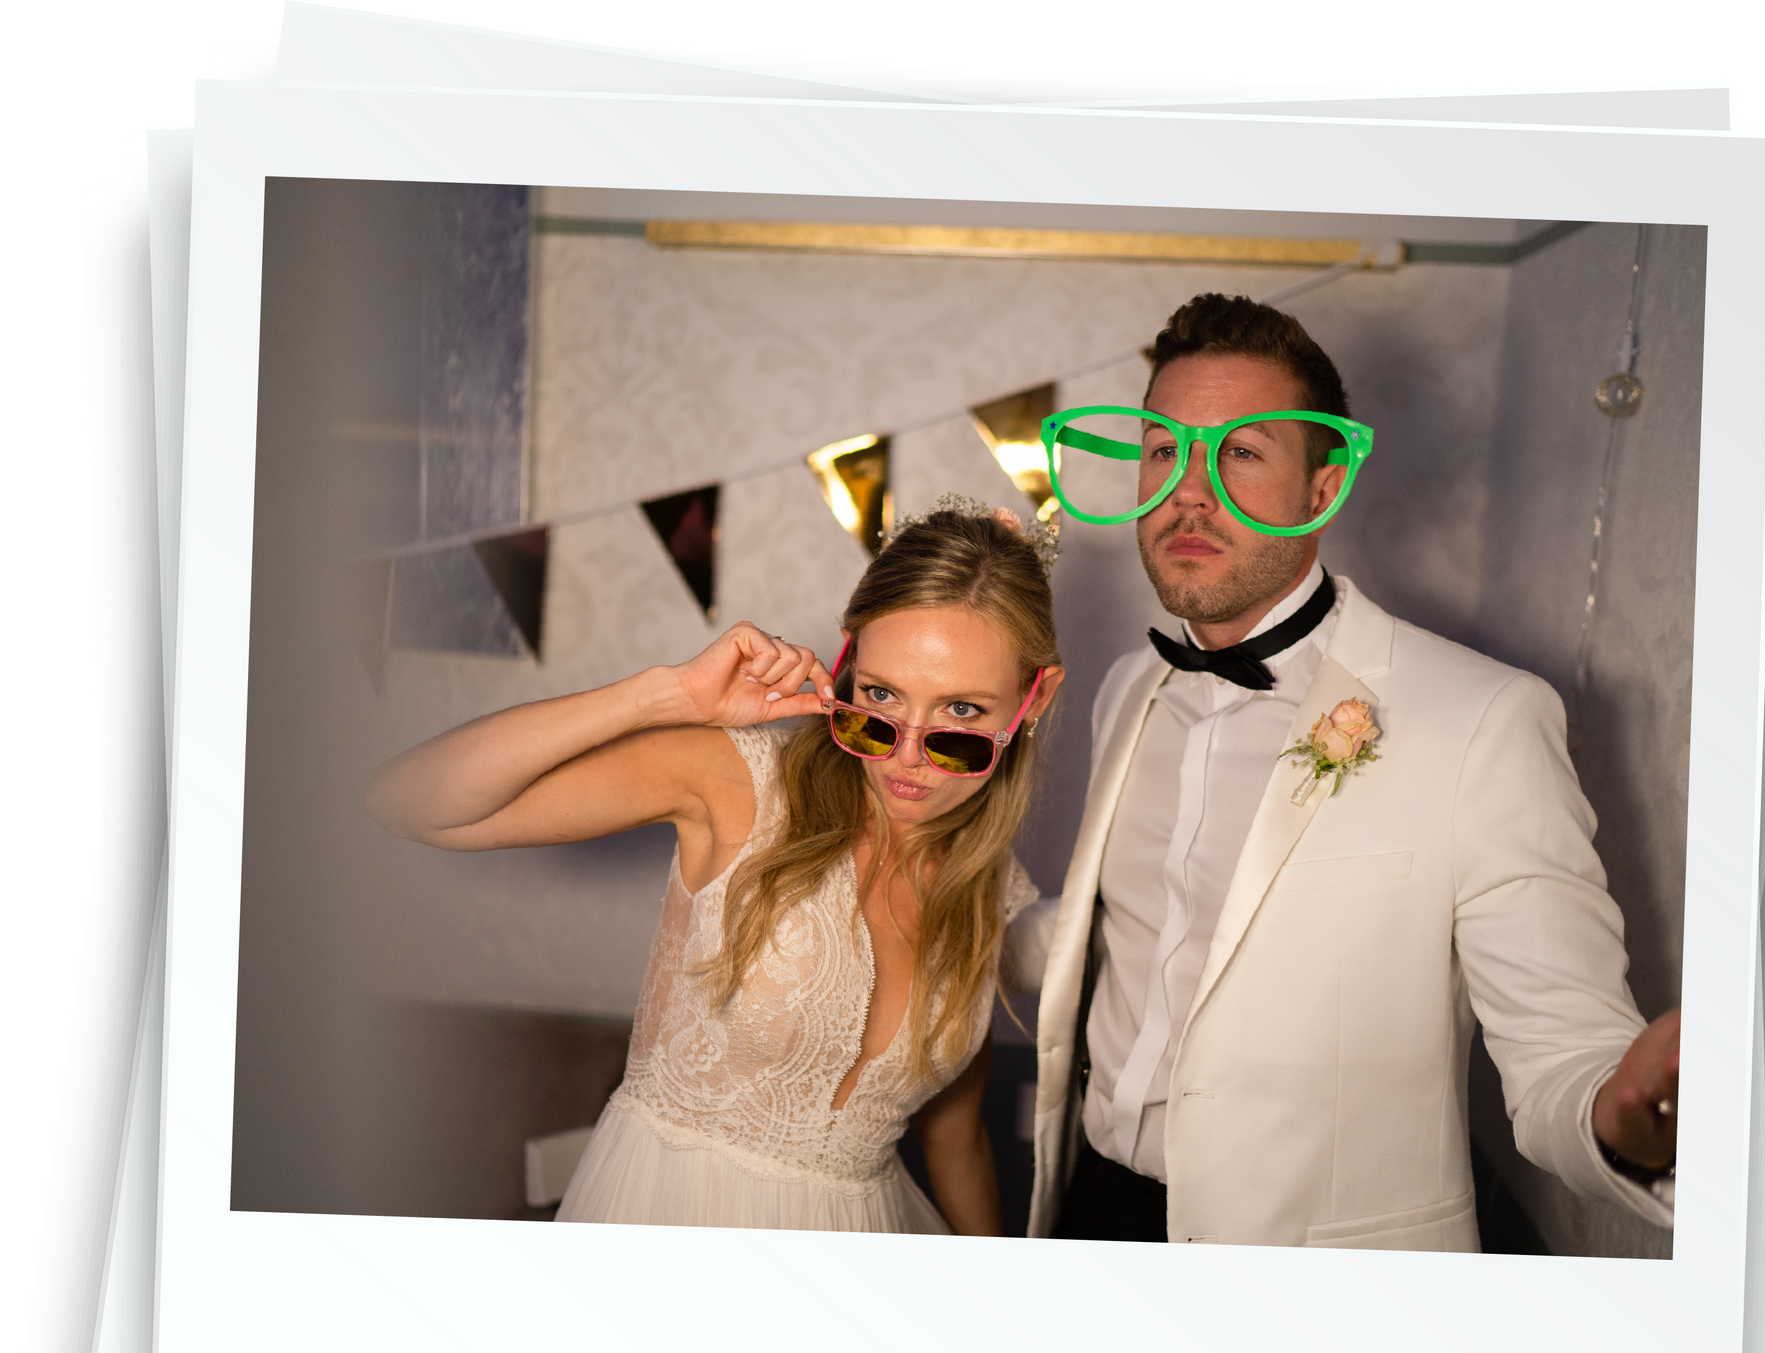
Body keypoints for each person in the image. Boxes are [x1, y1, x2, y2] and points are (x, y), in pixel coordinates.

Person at [1020, 294, 1681, 1248]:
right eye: (1164, 449)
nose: (1189, 492)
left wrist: (1621, 1120)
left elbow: (1564, 1045)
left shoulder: (1486, 718)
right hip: (1090, 1214)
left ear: (1323, 490)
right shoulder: (1127, 687)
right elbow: (1130, 939)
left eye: (1242, 453)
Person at [366, 503, 1064, 1235]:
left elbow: (956, 1142)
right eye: (880, 698)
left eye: (960, 711)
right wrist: (667, 697)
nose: (906, 756)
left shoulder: (989, 883)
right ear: (849, 661)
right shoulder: (740, 785)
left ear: (1032, 699)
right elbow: (408, 802)